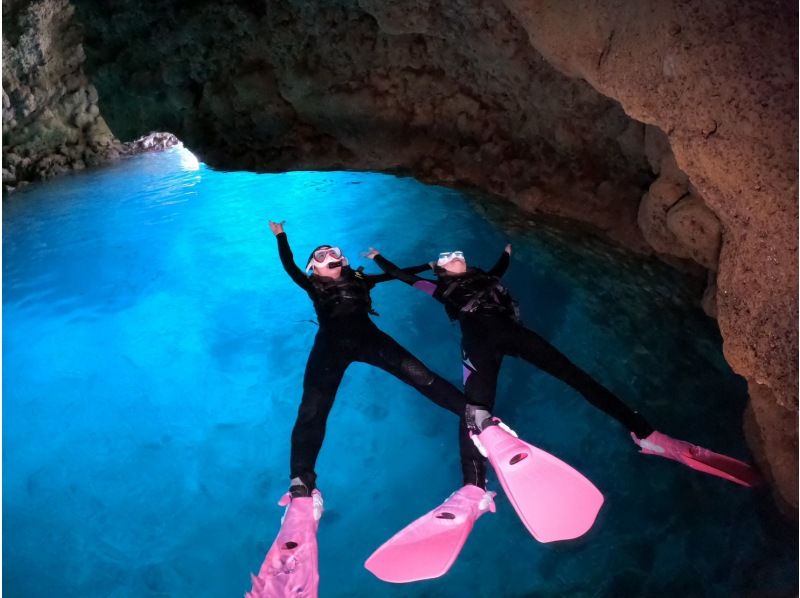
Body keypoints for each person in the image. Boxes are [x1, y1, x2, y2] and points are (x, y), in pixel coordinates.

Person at [366, 244, 762, 489]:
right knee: (474, 410)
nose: (453, 256)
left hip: (512, 332)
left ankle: (647, 435)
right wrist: (380, 259)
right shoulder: (437, 288)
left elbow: (498, 272)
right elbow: (403, 278)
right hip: (478, 343)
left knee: (577, 376)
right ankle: (473, 489)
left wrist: (505, 256)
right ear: (438, 271)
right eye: (445, 257)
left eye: (456, 252)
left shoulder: (484, 277)